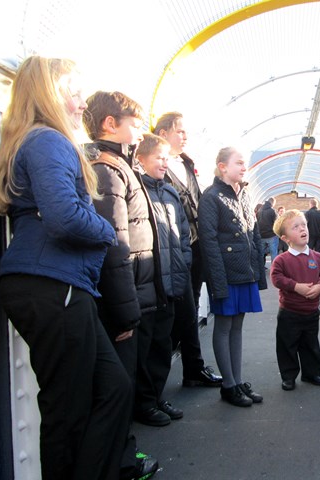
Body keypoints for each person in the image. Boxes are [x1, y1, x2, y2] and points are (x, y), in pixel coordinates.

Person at [0, 56, 132, 480]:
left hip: (54, 284)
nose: (80, 103)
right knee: (66, 412)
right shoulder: (48, 141)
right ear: (50, 94)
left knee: (113, 389)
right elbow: (65, 216)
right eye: (73, 92)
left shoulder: (31, 141)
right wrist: (107, 232)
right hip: (54, 285)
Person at [83, 91, 163, 478]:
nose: (139, 128)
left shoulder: (117, 165)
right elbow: (113, 244)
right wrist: (126, 311)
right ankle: (121, 463)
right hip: (120, 298)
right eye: (132, 121)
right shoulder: (107, 169)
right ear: (109, 124)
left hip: (129, 291)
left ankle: (124, 457)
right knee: (118, 387)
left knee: (122, 384)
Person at [152, 111, 222, 388]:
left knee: (188, 307)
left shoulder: (186, 164)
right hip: (173, 249)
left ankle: (190, 368)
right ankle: (187, 369)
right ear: (163, 134)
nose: (185, 136)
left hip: (193, 245)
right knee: (181, 309)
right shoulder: (155, 167)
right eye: (179, 131)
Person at [198, 147, 267, 407]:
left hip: (245, 272)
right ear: (222, 166)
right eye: (238, 163)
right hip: (225, 273)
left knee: (236, 327)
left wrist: (258, 272)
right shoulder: (211, 197)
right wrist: (217, 281)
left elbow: (255, 233)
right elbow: (209, 242)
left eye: (244, 163)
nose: (243, 167)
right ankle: (228, 386)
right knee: (224, 326)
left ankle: (237, 382)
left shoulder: (245, 194)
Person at [134, 133, 193, 428]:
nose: (163, 162)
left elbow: (183, 235)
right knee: (144, 347)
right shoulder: (136, 189)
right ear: (140, 159)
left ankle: (155, 397)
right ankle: (144, 403)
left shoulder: (169, 193)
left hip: (169, 283)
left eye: (166, 157)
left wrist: (184, 263)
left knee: (162, 344)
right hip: (147, 283)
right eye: (158, 157)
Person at [270, 209, 320, 391]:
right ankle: (288, 376)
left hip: (312, 312)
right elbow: (276, 278)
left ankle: (312, 373)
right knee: (287, 345)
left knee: (310, 344)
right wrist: (296, 286)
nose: (302, 229)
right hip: (289, 312)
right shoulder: (281, 260)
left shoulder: (318, 257)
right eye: (295, 227)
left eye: (303, 225)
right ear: (285, 238)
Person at [256, 196, 279, 263]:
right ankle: (275, 269)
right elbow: (277, 223)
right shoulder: (273, 211)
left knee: (261, 253)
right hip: (272, 235)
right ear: (273, 203)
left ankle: (261, 268)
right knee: (273, 253)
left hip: (262, 235)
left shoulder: (259, 211)